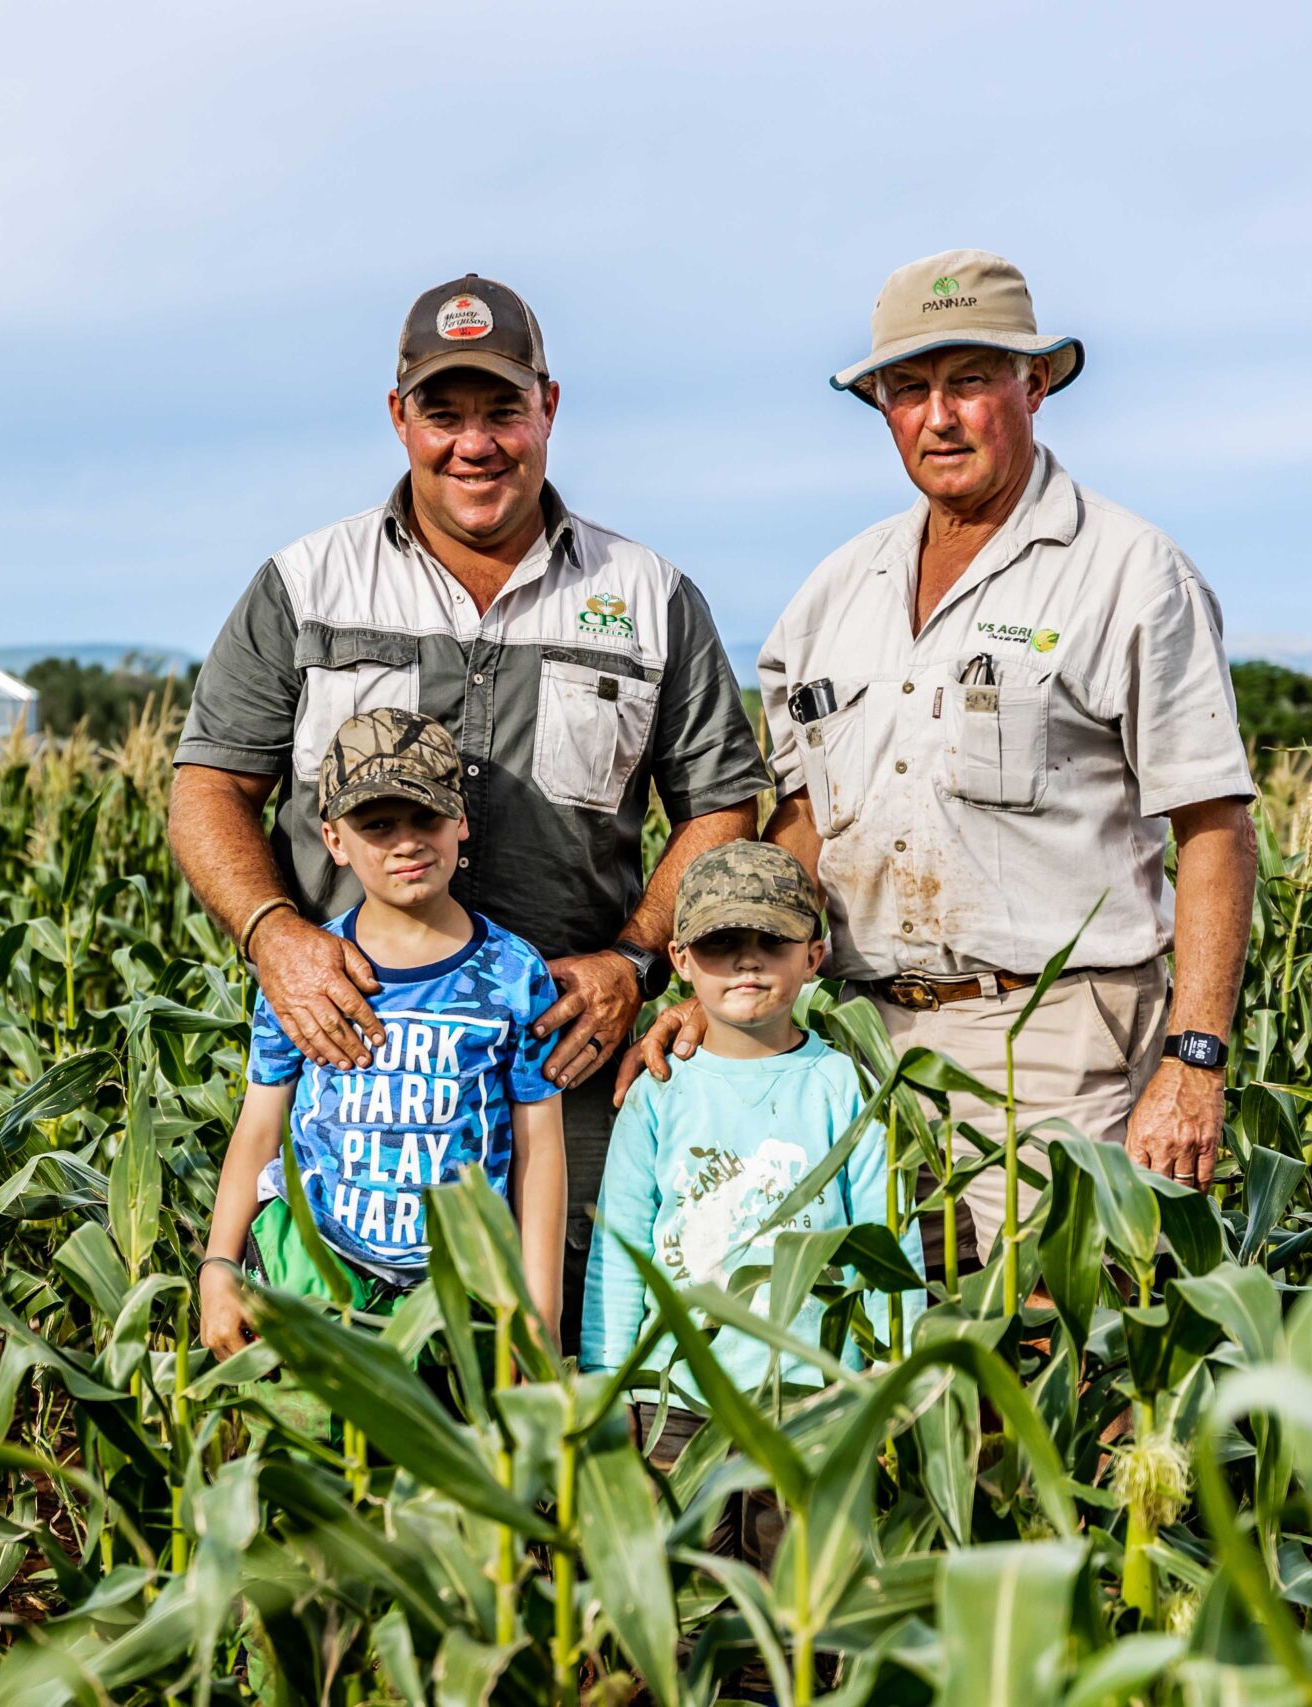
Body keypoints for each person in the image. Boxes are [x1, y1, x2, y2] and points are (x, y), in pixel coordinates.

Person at [623, 249, 1259, 1276]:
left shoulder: (1128, 575)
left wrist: (1194, 1060)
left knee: (1059, 1341)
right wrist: (713, 993)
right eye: (908, 390)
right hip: (857, 1041)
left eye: (970, 381)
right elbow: (801, 824)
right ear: (878, 405)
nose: (940, 416)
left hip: (1057, 1037)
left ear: (1033, 384)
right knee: (880, 1338)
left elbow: (1213, 830)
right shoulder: (835, 592)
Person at [172, 274, 769, 1344]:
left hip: (563, 1060)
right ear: (398, 418)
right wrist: (278, 942)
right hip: (354, 1063)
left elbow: (721, 804)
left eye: (501, 410)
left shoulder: (646, 596)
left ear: (548, 404)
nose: (474, 444)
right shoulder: (306, 585)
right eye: (443, 414)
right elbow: (208, 787)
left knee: (562, 1363)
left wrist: (632, 962)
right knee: (341, 1393)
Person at [200, 708, 567, 1356]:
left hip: (460, 1303)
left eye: (426, 817)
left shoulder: (514, 975)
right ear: (334, 840)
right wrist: (218, 1269)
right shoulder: (304, 975)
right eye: (376, 824)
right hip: (316, 1288)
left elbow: (539, 1158)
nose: (406, 842)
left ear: (461, 822)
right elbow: (258, 1128)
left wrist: (538, 1321)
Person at [585, 842, 918, 1553]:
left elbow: (887, 1241)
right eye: (721, 943)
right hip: (676, 1404)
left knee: (798, 1612)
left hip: (811, 1403)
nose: (746, 961)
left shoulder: (844, 1088)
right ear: (678, 959)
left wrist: (891, 1370)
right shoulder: (658, 1095)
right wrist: (609, 1391)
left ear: (815, 955)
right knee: (684, 1611)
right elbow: (621, 1253)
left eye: (772, 940)